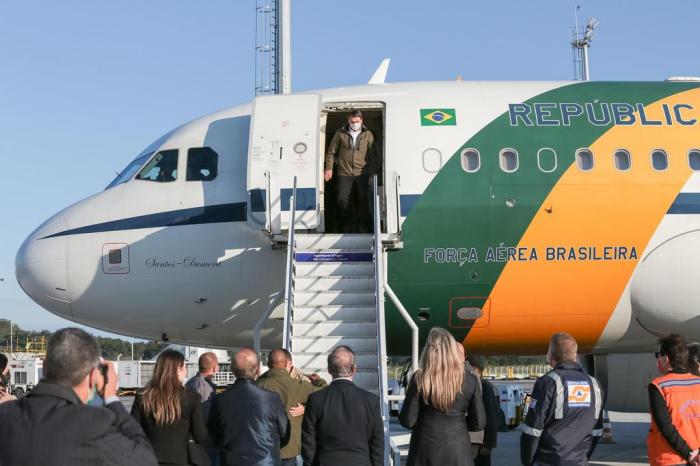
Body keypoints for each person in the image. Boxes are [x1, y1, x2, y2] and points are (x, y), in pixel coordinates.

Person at [0, 327, 157, 466]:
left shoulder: (6, 414)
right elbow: (145, 460)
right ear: (93, 376)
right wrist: (111, 398)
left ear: (45, 366)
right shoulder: (94, 423)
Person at [399, 327, 486, 466]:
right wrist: (458, 422)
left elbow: (407, 421)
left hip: (424, 451)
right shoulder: (470, 380)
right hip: (458, 451)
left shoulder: (419, 378)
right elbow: (479, 423)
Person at [520, 332, 605, 466]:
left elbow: (532, 430)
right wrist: (582, 458)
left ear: (550, 355)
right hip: (579, 461)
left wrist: (527, 462)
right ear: (575, 356)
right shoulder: (594, 384)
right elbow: (597, 430)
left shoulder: (546, 382)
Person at [301, 346, 383, 466]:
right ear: (354, 369)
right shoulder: (371, 401)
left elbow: (308, 441)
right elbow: (377, 443)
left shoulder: (315, 400)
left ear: (329, 370)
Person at [208, 347, 290, 466]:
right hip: (266, 461)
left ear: (232, 370)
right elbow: (285, 433)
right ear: (257, 369)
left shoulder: (220, 400)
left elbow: (214, 434)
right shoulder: (272, 398)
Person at [132, 349, 209, 466]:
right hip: (181, 460)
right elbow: (200, 436)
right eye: (184, 367)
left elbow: (132, 432)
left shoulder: (142, 396)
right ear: (178, 370)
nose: (186, 370)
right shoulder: (191, 398)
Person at [258, 349, 324, 466]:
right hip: (290, 448)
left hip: (264, 448)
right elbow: (323, 392)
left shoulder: (258, 385)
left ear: (268, 365)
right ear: (286, 364)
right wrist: (319, 381)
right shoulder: (298, 385)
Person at [323, 109, 380, 233]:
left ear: (361, 120)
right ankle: (345, 226)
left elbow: (373, 155)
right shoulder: (340, 133)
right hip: (344, 173)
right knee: (342, 200)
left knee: (363, 200)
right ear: (348, 120)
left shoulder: (368, 134)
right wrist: (329, 169)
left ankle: (364, 228)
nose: (354, 124)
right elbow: (331, 152)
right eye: (352, 121)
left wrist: (372, 172)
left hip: (362, 173)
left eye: (357, 121)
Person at [647, 334, 700, 466]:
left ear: (666, 358)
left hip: (669, 458)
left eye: (657, 355)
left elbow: (666, 427)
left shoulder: (658, 386)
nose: (657, 359)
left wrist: (688, 454)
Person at [467, 355, 503, 466]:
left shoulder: (485, 387)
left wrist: (488, 444)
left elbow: (492, 417)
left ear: (476, 369)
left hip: (481, 444)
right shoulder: (474, 386)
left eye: (467, 368)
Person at [186, 352, 220, 464]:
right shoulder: (205, 388)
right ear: (215, 367)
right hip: (206, 446)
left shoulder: (190, 383)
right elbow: (205, 417)